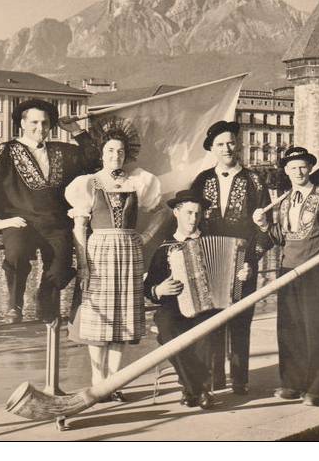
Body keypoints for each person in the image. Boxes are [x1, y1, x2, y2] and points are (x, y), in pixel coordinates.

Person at [0, 99, 99, 323]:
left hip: (56, 223)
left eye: (46, 123)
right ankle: (15, 304)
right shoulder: (5, 151)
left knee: (61, 268)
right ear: (22, 123)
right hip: (19, 221)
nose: (40, 128)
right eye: (34, 122)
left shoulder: (62, 151)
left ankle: (45, 301)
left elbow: (94, 159)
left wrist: (76, 130)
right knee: (17, 254)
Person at [64, 123, 161, 400]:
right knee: (98, 321)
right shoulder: (88, 183)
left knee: (123, 320)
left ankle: (116, 383)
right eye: (110, 150)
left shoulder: (138, 183)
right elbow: (80, 228)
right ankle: (99, 382)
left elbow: (162, 213)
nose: (115, 155)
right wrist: (83, 264)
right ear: (102, 153)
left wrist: (145, 237)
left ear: (125, 155)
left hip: (129, 252)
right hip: (99, 253)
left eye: (120, 151)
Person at [253, 146, 319, 407]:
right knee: (288, 329)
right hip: (286, 272)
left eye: (303, 166)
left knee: (314, 329)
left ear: (310, 168)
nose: (298, 172)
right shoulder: (283, 200)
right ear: (286, 171)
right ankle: (291, 383)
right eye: (292, 168)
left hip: (314, 271)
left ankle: (315, 388)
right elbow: (280, 238)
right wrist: (263, 225)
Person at [144, 189, 249, 409]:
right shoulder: (164, 248)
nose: (194, 219)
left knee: (206, 329)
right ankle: (198, 389)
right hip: (173, 308)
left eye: (198, 214)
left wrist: (241, 275)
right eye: (189, 213)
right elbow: (148, 288)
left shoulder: (213, 241)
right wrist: (159, 289)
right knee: (167, 329)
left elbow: (235, 285)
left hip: (209, 307)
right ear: (176, 213)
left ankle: (191, 390)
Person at [190, 120, 272, 394]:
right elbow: (192, 221)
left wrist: (251, 261)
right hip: (208, 262)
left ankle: (240, 379)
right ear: (212, 149)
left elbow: (266, 230)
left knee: (240, 319)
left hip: (242, 263)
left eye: (231, 143)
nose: (227, 148)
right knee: (210, 320)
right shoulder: (202, 180)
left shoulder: (254, 180)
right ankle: (214, 378)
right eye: (220, 144)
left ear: (238, 145)